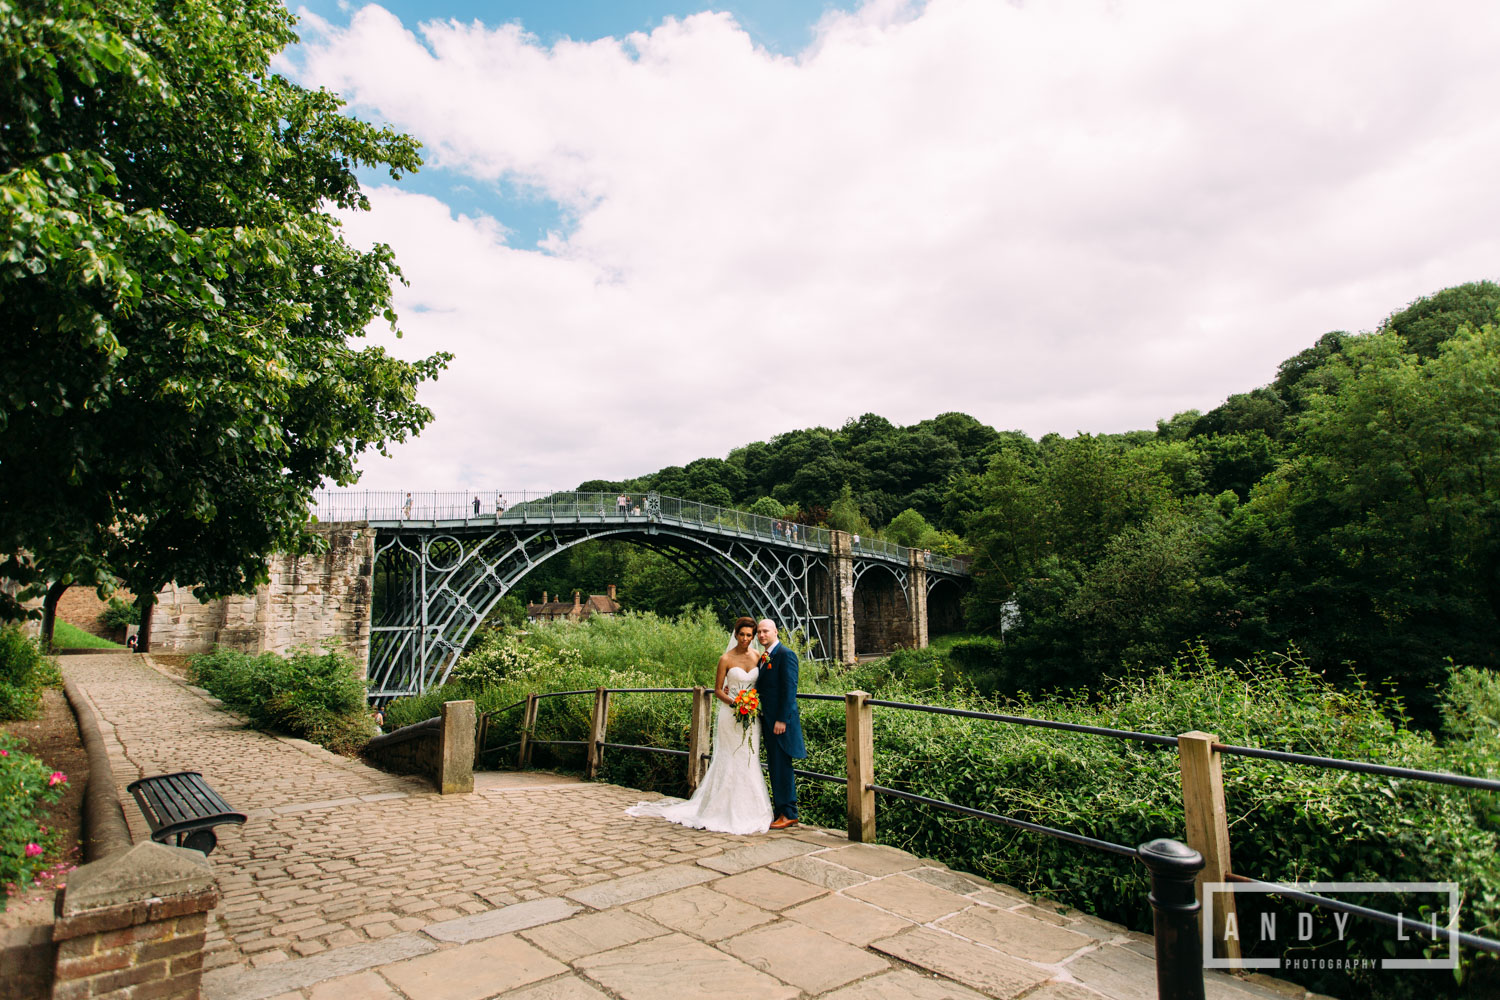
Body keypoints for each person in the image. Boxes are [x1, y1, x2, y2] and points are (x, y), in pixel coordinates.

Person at [626, 617, 772, 834]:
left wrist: (752, 704)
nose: (745, 639)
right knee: (729, 757)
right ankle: (721, 809)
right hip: (730, 715)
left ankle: (751, 809)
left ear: (753, 637)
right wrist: (736, 703)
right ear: (735, 634)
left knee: (748, 758)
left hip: (750, 717)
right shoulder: (725, 659)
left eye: (749, 635)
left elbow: (763, 685)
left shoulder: (759, 657)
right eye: (742, 634)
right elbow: (719, 690)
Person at [755, 619, 806, 828]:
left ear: (776, 632)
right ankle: (780, 812)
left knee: (782, 766)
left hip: (779, 723)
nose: (761, 635)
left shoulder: (786, 655)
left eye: (765, 631)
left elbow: (789, 690)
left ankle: (788, 813)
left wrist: (781, 720)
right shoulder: (766, 656)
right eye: (759, 632)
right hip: (768, 720)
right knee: (775, 766)